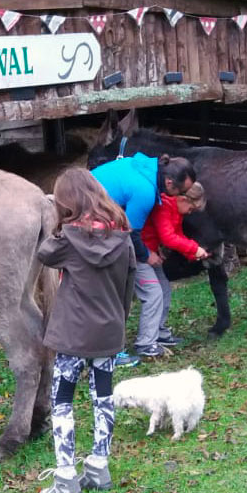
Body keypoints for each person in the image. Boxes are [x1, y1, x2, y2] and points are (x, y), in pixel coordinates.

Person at [33, 168, 137, 493]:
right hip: (108, 332)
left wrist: (59, 221)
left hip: (72, 337)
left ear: (67, 204)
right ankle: (99, 467)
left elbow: (44, 252)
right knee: (102, 398)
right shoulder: (123, 237)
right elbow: (128, 287)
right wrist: (119, 321)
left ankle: (66, 477)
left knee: (63, 401)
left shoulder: (68, 242)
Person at [89, 152, 197, 363]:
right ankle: (119, 350)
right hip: (93, 226)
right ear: (169, 182)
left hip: (100, 221)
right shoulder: (145, 190)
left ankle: (143, 339)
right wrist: (147, 256)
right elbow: (131, 232)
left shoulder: (143, 167)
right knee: (120, 292)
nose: (177, 198)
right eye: (180, 192)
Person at [141, 181, 211, 347]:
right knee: (154, 293)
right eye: (191, 209)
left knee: (164, 289)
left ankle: (159, 332)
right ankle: (145, 341)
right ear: (182, 199)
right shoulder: (164, 206)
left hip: (152, 253)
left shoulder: (176, 212)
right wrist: (194, 249)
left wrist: (193, 253)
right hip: (140, 254)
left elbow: (177, 235)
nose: (190, 213)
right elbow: (168, 238)